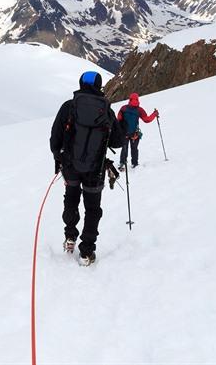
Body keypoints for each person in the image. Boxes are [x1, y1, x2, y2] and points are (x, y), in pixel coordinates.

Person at [50, 71, 124, 266]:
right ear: (99, 86)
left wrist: (58, 156)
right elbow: (117, 142)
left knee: (71, 200)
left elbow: (55, 135)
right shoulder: (106, 110)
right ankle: (87, 251)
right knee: (92, 209)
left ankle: (70, 237)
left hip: (70, 166)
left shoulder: (69, 106)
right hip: (95, 169)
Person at [117, 93, 159, 170]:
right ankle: (135, 164)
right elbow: (147, 119)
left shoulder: (123, 108)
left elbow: (118, 119)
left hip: (124, 133)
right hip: (134, 134)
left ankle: (122, 163)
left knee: (124, 148)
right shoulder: (139, 110)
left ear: (130, 99)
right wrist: (154, 114)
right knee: (134, 149)